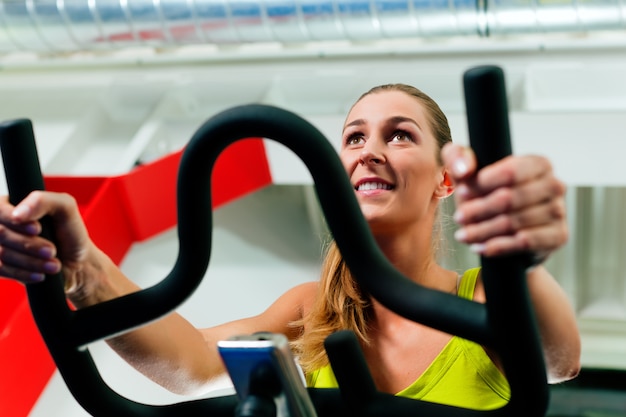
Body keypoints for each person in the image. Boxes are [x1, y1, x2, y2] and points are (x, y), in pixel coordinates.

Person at [0, 83, 580, 410]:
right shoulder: (312, 309)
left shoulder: (484, 297)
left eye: (399, 134)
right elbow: (190, 366)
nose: (368, 151)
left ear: (444, 179)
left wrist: (521, 253)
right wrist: (85, 269)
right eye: (354, 137)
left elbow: (558, 361)